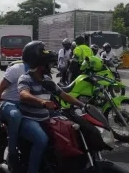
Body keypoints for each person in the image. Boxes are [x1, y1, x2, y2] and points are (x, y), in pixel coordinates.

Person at [17, 40, 85, 173]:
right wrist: (41, 102)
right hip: (28, 119)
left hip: (45, 118)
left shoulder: (47, 79)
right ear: (41, 65)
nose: (51, 66)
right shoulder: (25, 79)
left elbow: (63, 95)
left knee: (70, 132)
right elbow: (23, 94)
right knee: (41, 140)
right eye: (49, 63)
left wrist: (83, 105)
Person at [0, 61, 29, 171]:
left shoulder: (43, 71)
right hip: (8, 103)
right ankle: (12, 154)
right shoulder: (16, 69)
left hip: (28, 105)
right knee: (15, 116)